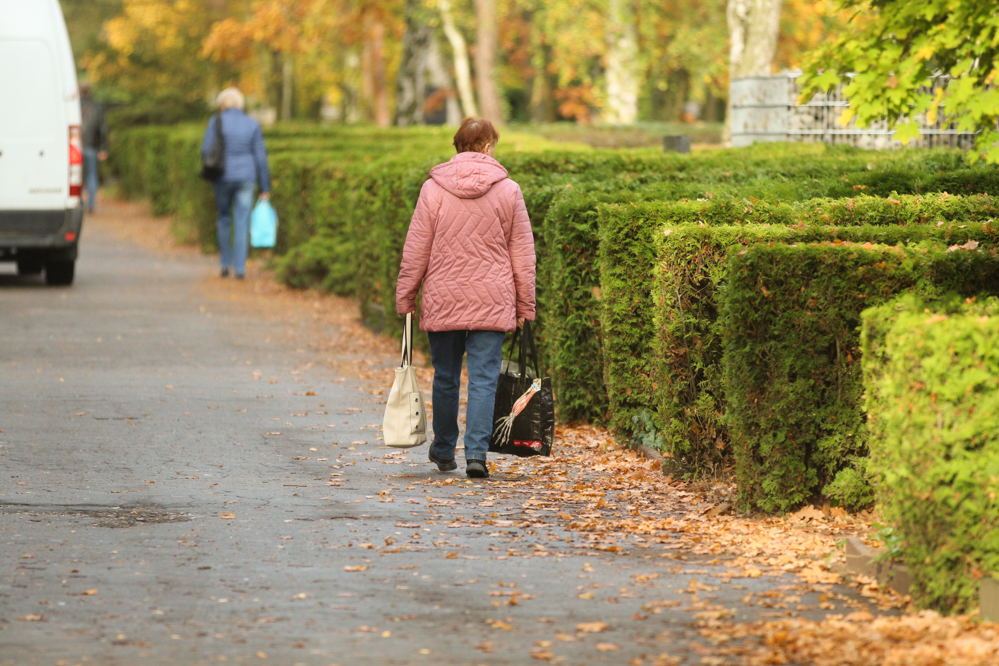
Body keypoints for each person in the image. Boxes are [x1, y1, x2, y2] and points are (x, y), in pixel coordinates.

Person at [396, 118, 537, 479]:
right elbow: (523, 255)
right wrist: (525, 305)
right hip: (492, 298)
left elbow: (416, 250)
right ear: (488, 147)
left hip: (444, 298)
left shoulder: (432, 189)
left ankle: (443, 450)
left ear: (457, 146)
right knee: (484, 379)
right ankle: (476, 454)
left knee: (445, 377)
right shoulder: (509, 191)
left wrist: (407, 296)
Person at [201, 88, 270, 279]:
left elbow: (206, 150)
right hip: (246, 178)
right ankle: (240, 269)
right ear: (241, 105)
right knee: (242, 221)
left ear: (222, 105)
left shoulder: (215, 122)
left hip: (222, 177)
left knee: (223, 218)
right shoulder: (252, 124)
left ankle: (225, 264)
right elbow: (261, 157)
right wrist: (265, 187)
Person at [80, 84, 107, 213]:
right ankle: (91, 204)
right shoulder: (96, 107)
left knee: (76, 176)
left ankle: (77, 202)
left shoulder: (73, 105)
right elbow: (102, 129)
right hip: (91, 147)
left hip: (75, 148)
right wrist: (103, 148)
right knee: (91, 175)